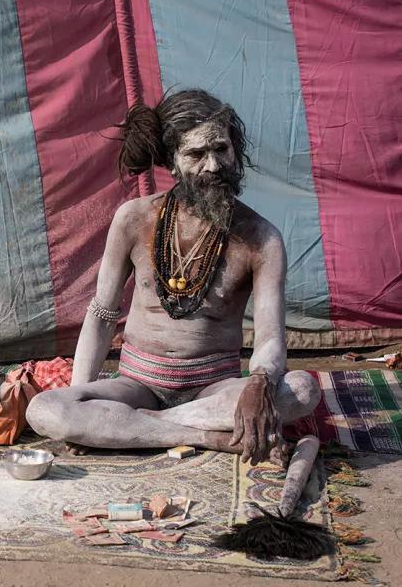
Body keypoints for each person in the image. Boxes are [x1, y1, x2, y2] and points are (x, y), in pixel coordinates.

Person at [26, 89, 320, 465]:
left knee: (302, 389)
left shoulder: (261, 238)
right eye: (196, 155)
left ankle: (127, 429)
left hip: (213, 391)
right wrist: (84, 396)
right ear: (173, 162)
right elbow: (102, 314)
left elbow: (270, 337)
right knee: (46, 410)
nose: (213, 165)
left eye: (221, 149)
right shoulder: (133, 218)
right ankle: (207, 438)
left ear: (235, 150)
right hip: (137, 385)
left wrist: (260, 380)